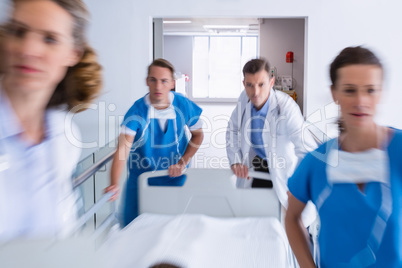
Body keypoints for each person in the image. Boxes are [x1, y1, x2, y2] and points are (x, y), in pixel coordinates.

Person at [285, 46, 402, 267]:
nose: (360, 101)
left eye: (370, 90)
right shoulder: (317, 162)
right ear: (334, 94)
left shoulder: (399, 151)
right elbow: (291, 217)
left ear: (381, 93)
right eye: (349, 90)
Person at [0, 0, 102, 241]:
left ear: (73, 54)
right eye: (19, 32)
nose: (28, 49)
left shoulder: (65, 136)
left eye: (49, 39)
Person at [106, 59, 204, 227]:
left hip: (176, 177)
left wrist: (183, 162)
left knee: (174, 228)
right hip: (143, 180)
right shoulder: (137, 112)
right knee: (132, 228)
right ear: (147, 81)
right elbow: (122, 150)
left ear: (172, 83)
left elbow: (198, 135)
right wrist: (114, 184)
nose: (158, 87)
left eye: (164, 81)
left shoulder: (183, 105)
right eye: (153, 80)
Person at [226, 58, 318, 226]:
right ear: (244, 83)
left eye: (261, 84)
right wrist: (236, 160)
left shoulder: (287, 107)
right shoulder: (244, 100)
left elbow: (305, 150)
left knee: (290, 223)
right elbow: (232, 129)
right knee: (256, 218)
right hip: (258, 164)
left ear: (271, 82)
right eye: (249, 85)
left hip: (285, 169)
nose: (255, 92)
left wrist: (297, 184)